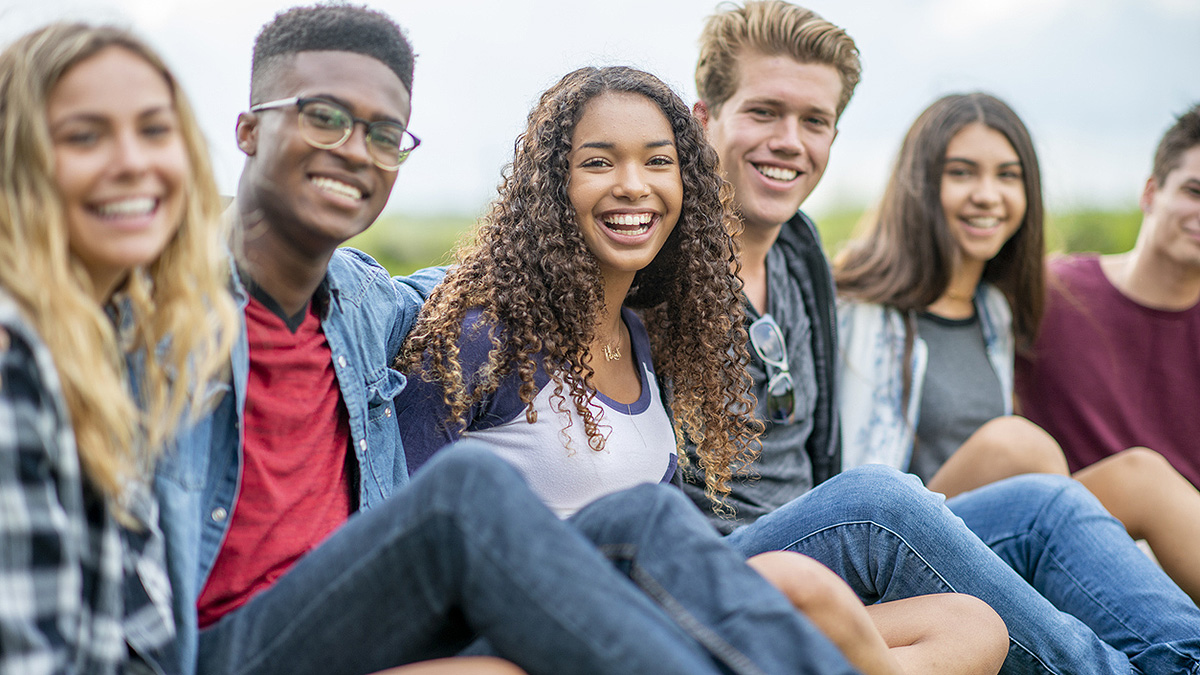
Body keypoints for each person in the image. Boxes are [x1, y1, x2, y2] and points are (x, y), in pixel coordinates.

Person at [162, 6, 869, 675]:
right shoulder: (169, 299)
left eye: (383, 134)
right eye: (323, 119)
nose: (354, 151)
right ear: (248, 131)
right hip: (226, 646)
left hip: (364, 600)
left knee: (645, 513)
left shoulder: (361, 303)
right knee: (469, 488)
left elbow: (471, 289)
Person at [398, 64, 1007, 675]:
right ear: (550, 184)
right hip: (547, 633)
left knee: (970, 627)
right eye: (599, 162)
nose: (634, 185)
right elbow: (407, 542)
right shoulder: (484, 335)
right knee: (816, 584)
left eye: (658, 162)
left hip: (664, 610)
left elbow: (666, 540)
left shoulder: (638, 335)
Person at [680, 1, 1200, 672]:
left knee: (1047, 501)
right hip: (727, 560)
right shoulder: (666, 261)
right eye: (763, 112)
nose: (789, 140)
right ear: (704, 119)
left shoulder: (799, 252)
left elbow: (816, 456)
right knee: (880, 494)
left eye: (814, 121)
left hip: (824, 542)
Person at [833, 92, 1200, 603]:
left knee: (1139, 476)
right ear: (920, 184)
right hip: (892, 547)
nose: (988, 195)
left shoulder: (998, 313)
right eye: (962, 173)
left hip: (987, 540)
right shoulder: (854, 309)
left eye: (1008, 176)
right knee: (1019, 447)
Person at [0, 22, 239, 672]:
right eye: (84, 136)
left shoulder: (103, 334)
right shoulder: (12, 359)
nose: (133, 161)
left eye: (155, 130)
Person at [1015, 103, 1200, 575]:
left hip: (1183, 560)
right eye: (1194, 191)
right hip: (1073, 550)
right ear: (1151, 193)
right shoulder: (1051, 291)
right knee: (1144, 477)